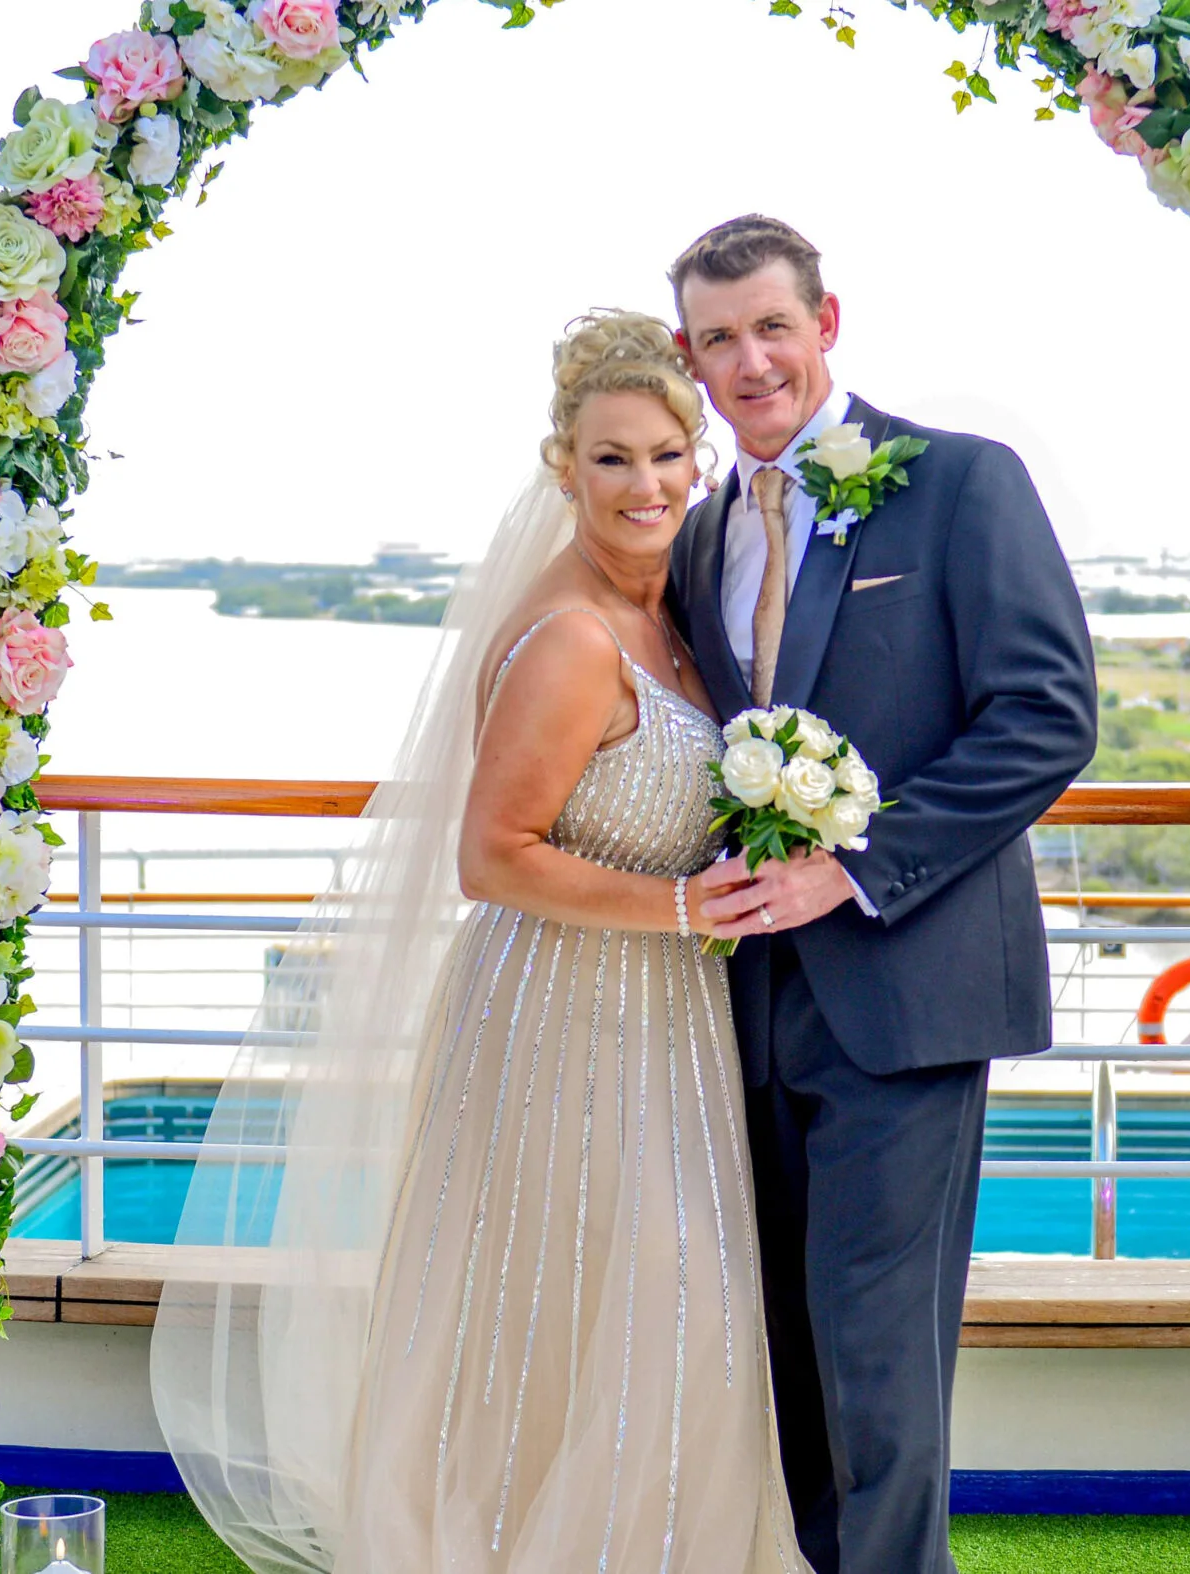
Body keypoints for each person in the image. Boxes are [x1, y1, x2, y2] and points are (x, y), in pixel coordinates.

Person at [153, 312, 812, 1572]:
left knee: (656, 1298)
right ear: (562, 466)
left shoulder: (672, 612)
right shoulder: (570, 637)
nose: (647, 484)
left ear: (702, 458)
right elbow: (489, 852)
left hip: (666, 1008)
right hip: (565, 1006)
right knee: (575, 1292)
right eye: (613, 459)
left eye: (670, 454)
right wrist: (680, 907)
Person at [666, 215, 1098, 1574]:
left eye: (771, 326)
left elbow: (1046, 715)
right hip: (735, 1006)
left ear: (827, 321)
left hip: (906, 990)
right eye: (720, 338)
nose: (751, 361)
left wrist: (851, 868)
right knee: (779, 1359)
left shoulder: (961, 484)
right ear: (690, 356)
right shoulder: (697, 534)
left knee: (878, 1369)